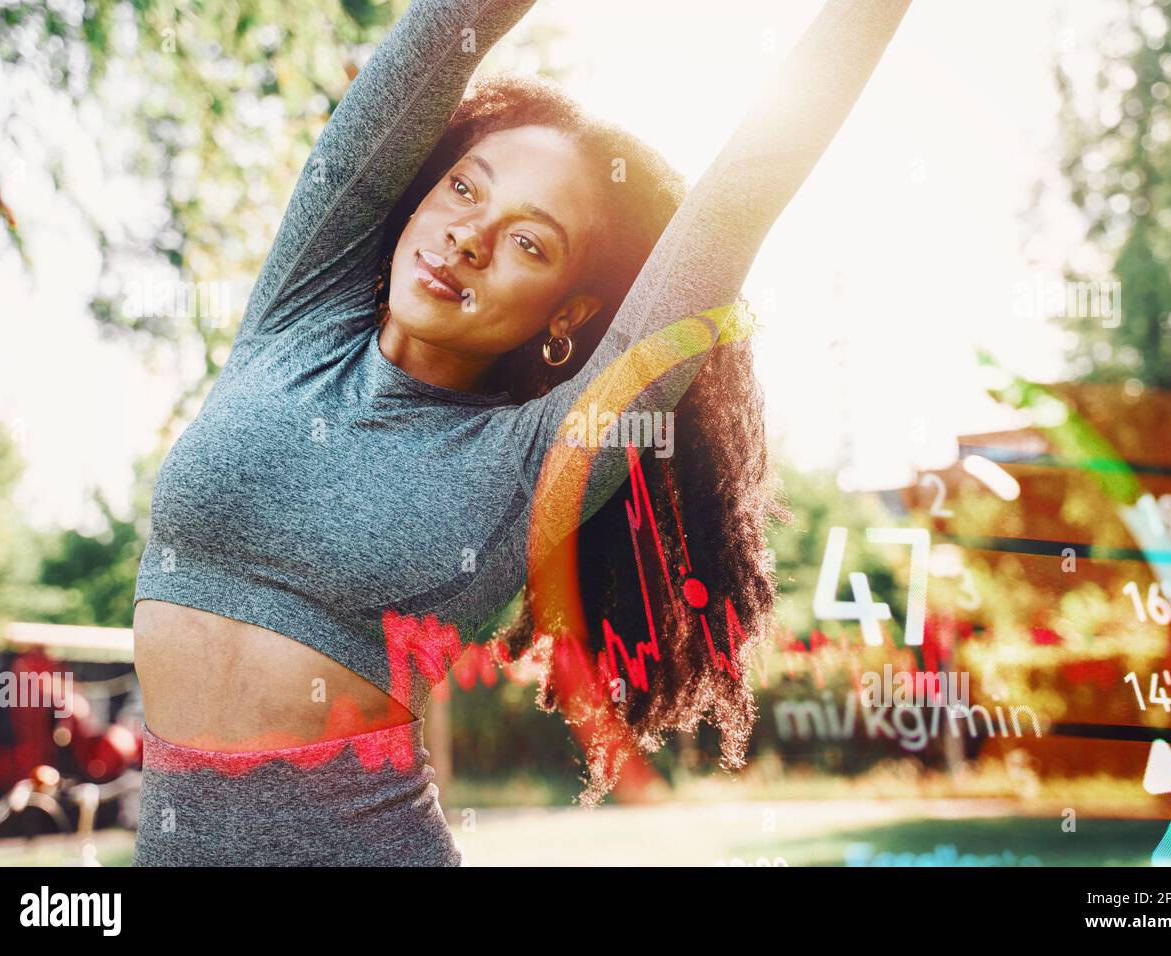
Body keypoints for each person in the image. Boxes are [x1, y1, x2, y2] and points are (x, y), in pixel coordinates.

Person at [131, 0, 912, 865]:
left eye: (530, 245)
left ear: (566, 313)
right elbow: (443, 28)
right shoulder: (299, 312)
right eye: (464, 188)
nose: (470, 236)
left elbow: (745, 191)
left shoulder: (543, 460)